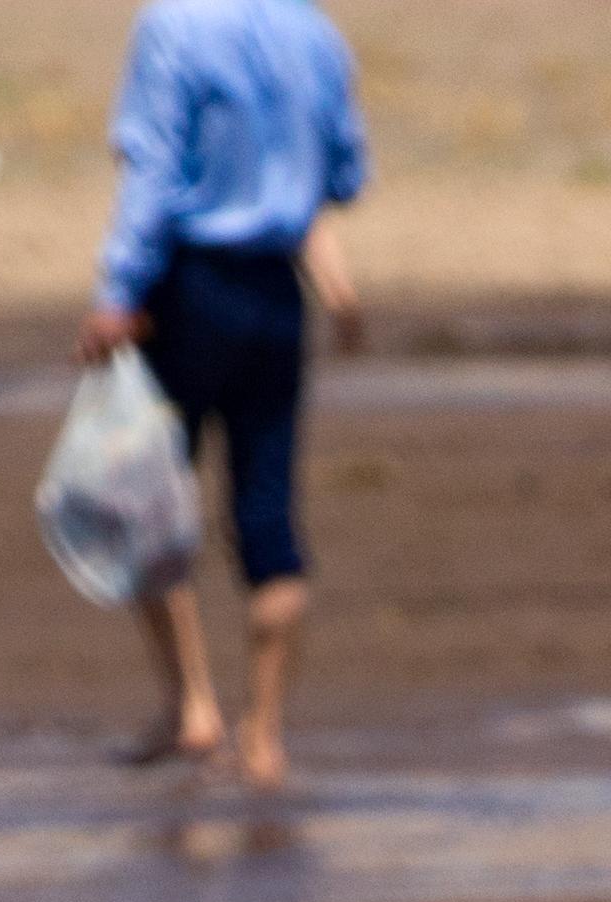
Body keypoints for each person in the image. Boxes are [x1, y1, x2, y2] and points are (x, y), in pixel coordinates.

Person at [84, 0, 368, 782]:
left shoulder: (175, 27)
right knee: (269, 516)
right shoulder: (315, 35)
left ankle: (193, 706)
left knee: (146, 497)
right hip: (278, 295)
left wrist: (117, 291)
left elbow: (151, 165)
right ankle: (265, 735)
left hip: (189, 286)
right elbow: (344, 172)